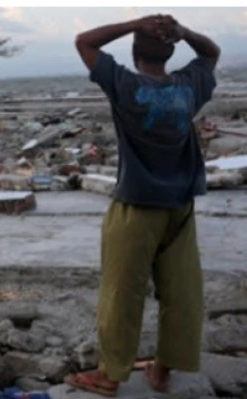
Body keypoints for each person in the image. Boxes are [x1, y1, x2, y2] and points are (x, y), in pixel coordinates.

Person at [65, 15, 221, 397]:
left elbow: (85, 42)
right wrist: (184, 34)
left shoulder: (126, 85)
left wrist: (136, 22)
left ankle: (110, 376)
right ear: (171, 52)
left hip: (136, 206)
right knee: (182, 291)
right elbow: (212, 51)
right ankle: (163, 371)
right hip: (180, 208)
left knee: (122, 292)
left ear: (134, 52)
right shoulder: (188, 86)